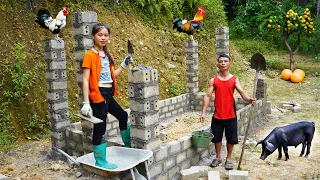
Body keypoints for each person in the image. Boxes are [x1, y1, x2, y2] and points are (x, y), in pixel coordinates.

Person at [80, 22, 132, 169]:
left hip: (109, 93)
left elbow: (112, 76)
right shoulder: (89, 56)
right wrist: (86, 103)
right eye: (100, 35)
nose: (103, 38)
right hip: (98, 94)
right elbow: (85, 80)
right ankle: (100, 161)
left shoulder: (108, 55)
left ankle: (128, 145)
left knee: (122, 116)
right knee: (100, 128)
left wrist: (123, 64)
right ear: (93, 36)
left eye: (106, 35)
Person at [200, 54, 256, 170]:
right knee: (217, 138)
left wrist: (249, 99)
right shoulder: (213, 80)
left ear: (230, 64)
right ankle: (218, 157)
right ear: (218, 64)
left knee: (231, 138)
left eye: (226, 61)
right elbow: (207, 96)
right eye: (221, 61)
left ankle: (228, 159)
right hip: (217, 115)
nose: (223, 63)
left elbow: (242, 92)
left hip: (231, 115)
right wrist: (203, 112)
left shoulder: (234, 79)